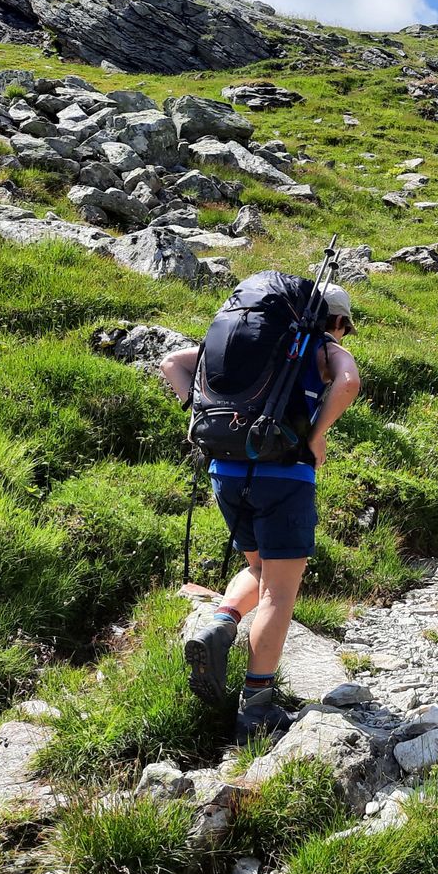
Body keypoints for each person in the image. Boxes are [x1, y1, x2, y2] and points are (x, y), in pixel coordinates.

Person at [160, 283, 361, 741]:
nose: (344, 333)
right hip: (284, 475)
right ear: (332, 320)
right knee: (279, 592)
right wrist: (317, 434)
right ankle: (257, 706)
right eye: (344, 325)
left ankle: (222, 621)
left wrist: (197, 413)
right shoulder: (322, 347)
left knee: (258, 565)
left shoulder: (244, 339)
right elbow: (349, 382)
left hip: (225, 471)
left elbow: (172, 363)